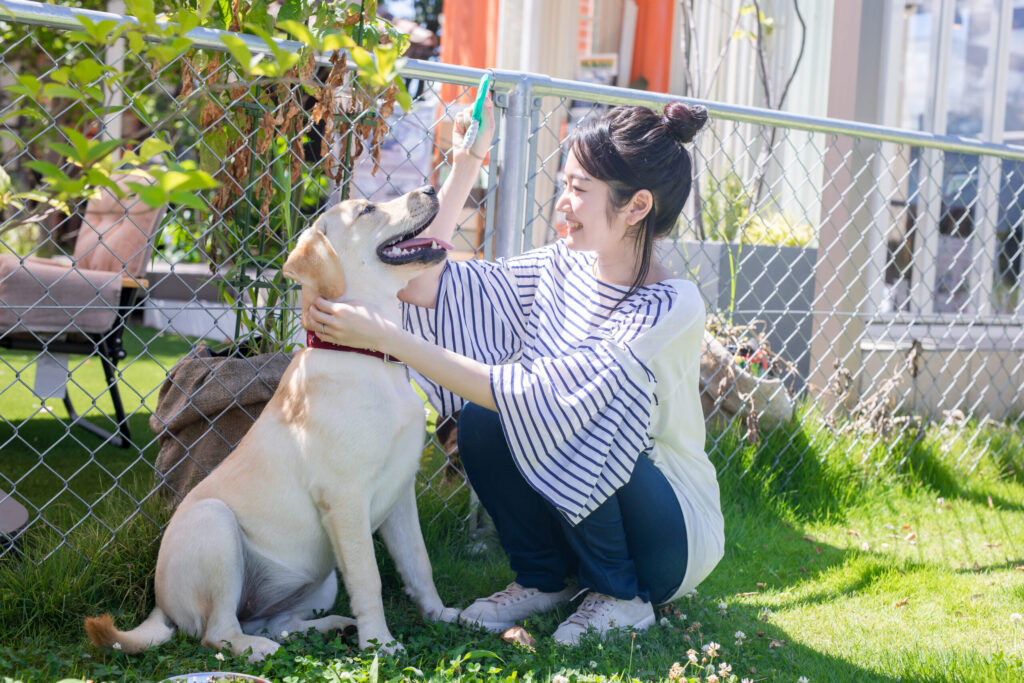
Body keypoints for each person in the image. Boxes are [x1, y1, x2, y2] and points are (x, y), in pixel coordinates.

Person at [309, 97, 724, 646]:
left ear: (637, 206)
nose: (563, 203)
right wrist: (468, 161)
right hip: (583, 508)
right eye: (564, 184)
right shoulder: (559, 267)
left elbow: (549, 398)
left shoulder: (671, 305)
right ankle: (544, 579)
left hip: (667, 533)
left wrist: (387, 337)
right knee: (482, 417)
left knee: (567, 410)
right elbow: (425, 284)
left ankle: (621, 595)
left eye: (580, 189)